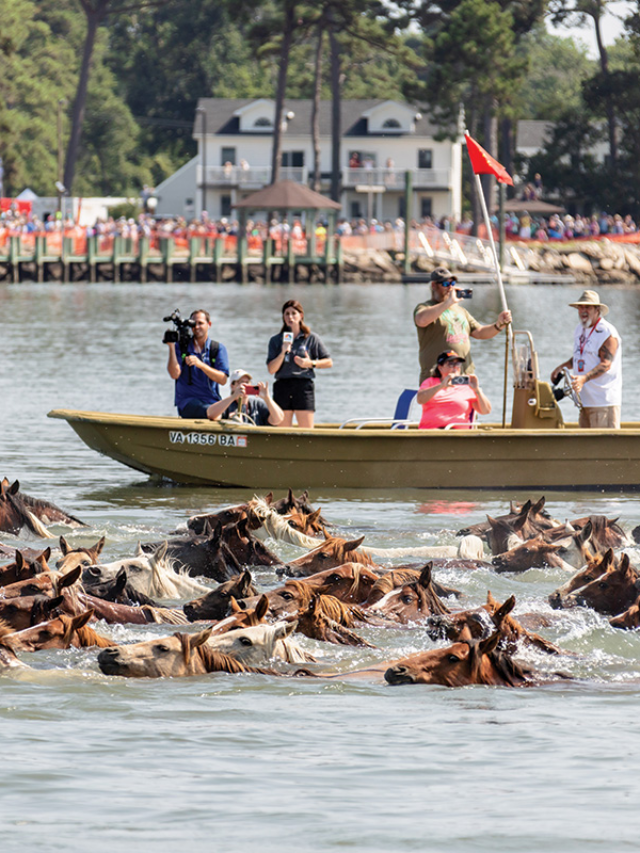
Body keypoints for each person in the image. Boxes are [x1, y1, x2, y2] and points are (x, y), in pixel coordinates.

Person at [413, 266, 512, 384]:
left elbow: (479, 332)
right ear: (434, 286)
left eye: (452, 283)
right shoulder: (425, 307)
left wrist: (499, 324)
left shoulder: (460, 310)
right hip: (437, 377)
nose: (450, 287)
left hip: (463, 377)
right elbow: (421, 320)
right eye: (445, 283)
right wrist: (448, 302)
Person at [551, 290, 622, 429]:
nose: (583, 310)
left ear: (597, 310)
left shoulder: (607, 332)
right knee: (587, 448)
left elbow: (605, 364)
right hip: (585, 401)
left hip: (603, 402)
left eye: (588, 307)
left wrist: (583, 378)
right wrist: (561, 367)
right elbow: (582, 355)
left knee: (604, 448)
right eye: (580, 307)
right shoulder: (579, 329)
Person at [267, 299, 332, 428]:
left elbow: (328, 362)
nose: (290, 317)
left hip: (303, 387)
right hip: (282, 387)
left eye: (293, 313)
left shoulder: (311, 338)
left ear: (301, 316)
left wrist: (309, 363)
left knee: (306, 432)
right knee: (283, 434)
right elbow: (271, 369)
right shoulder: (275, 340)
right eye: (287, 314)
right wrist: (282, 352)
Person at [166, 309, 229, 419]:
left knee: (233, 411)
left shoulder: (217, 349)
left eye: (200, 323)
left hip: (212, 402)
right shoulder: (182, 347)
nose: (197, 327)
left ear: (209, 324)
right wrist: (171, 346)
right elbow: (174, 374)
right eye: (194, 324)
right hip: (188, 403)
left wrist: (201, 365)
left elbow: (223, 380)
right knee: (212, 413)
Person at [417, 351, 492, 429]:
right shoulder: (430, 382)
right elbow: (420, 400)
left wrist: (477, 390)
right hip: (431, 431)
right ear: (440, 368)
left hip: (457, 434)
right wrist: (441, 385)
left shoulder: (467, 386)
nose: (455, 367)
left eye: (458, 364)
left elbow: (485, 411)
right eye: (451, 364)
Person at [206, 369, 284, 426]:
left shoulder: (257, 405)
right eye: (241, 382)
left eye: (247, 382)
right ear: (232, 386)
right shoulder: (227, 405)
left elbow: (278, 420)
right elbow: (210, 414)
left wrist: (267, 399)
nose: (245, 385)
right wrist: (233, 396)